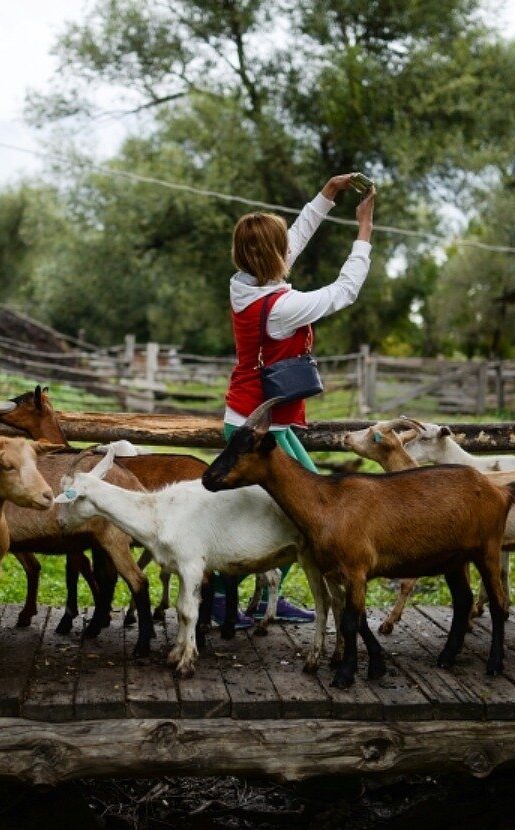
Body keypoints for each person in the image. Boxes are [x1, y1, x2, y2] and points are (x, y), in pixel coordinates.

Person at [216, 173, 376, 627]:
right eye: (280, 246)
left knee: (300, 512)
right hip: (258, 428)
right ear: (272, 256)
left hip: (257, 419)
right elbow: (346, 291)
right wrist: (363, 232)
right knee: (304, 515)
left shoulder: (243, 282)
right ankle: (223, 598)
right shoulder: (282, 308)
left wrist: (328, 193)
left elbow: (294, 239)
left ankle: (263, 597)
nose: (289, 248)